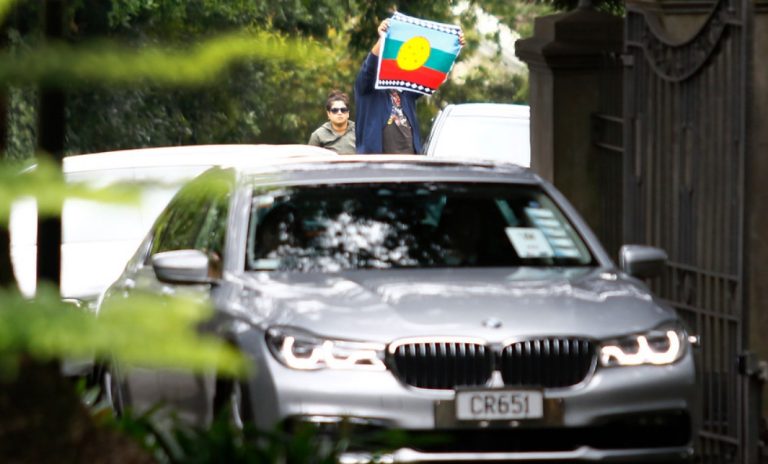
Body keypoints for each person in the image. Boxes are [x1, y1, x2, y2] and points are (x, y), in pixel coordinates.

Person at [354, 19, 464, 154]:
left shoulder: (407, 92)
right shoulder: (368, 90)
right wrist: (382, 38)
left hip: (408, 164)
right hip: (378, 167)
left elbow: (432, 76)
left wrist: (452, 46)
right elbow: (370, 67)